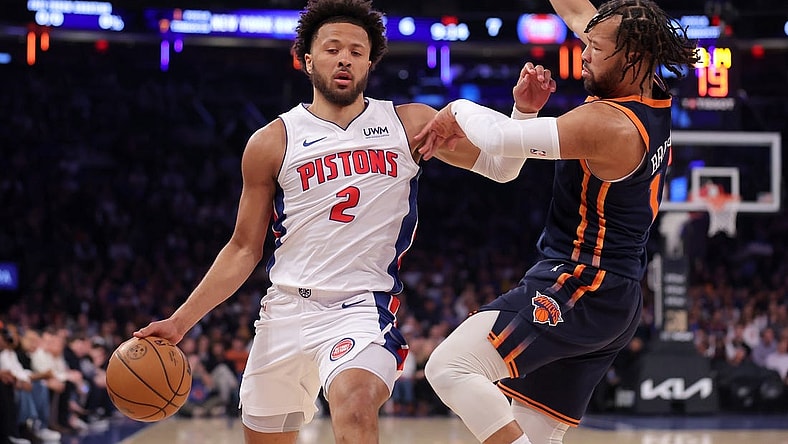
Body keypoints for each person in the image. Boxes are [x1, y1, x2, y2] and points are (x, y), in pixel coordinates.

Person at [133, 1, 554, 443]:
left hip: (361, 309)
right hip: (284, 312)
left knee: (354, 402)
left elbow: (501, 168)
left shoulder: (407, 122)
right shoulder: (272, 140)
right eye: (333, 48)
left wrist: (522, 115)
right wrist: (179, 323)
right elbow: (242, 249)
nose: (344, 58)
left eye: (356, 51)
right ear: (308, 60)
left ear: (369, 62)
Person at [417, 0, 699, 443]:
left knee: (450, 366)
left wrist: (455, 108)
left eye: (594, 47)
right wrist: (526, 109)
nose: (583, 51)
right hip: (613, 295)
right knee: (534, 432)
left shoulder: (613, 124)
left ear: (632, 56)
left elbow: (500, 140)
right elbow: (573, 9)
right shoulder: (646, 86)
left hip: (581, 283)